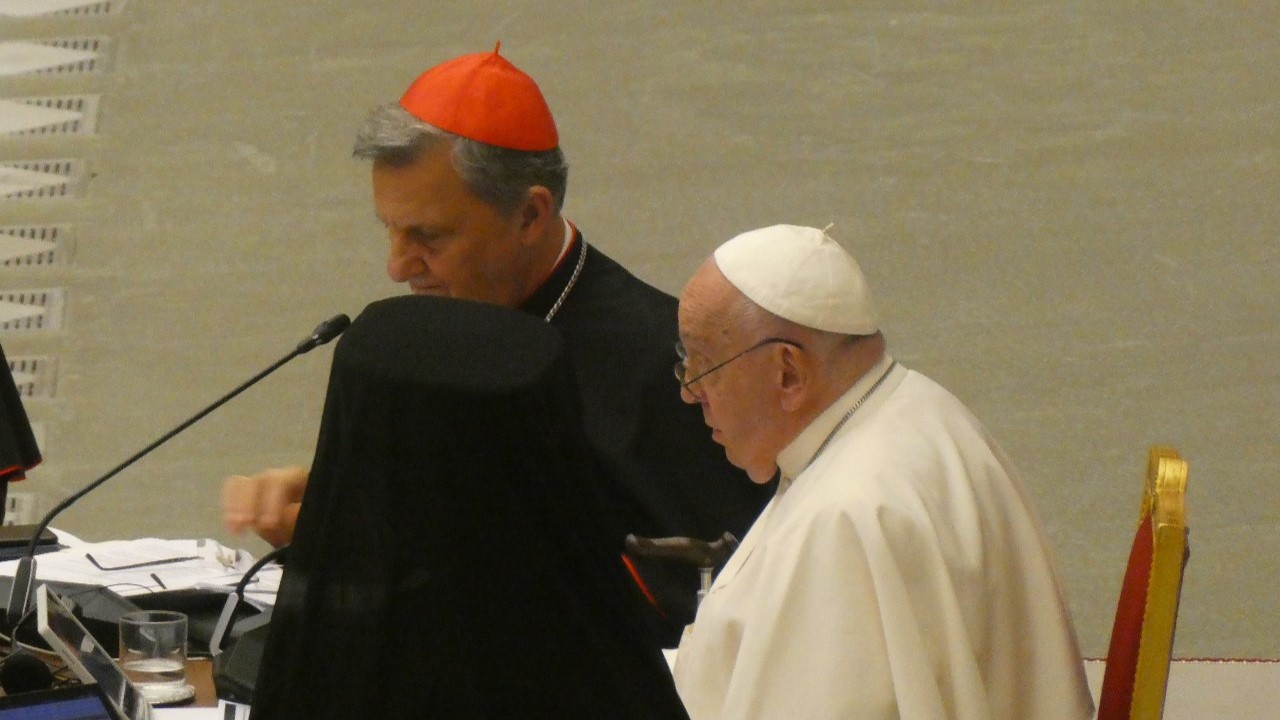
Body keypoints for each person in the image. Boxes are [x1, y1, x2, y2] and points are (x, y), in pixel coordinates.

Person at [220, 45, 771, 640]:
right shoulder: (444, 332)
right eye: (390, 230)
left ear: (530, 215)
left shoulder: (667, 371)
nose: (398, 267)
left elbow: (707, 601)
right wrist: (334, 497)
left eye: (427, 236)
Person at [670, 224, 1094, 719]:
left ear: (788, 373)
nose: (688, 393)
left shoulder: (844, 519)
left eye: (703, 369)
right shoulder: (925, 409)